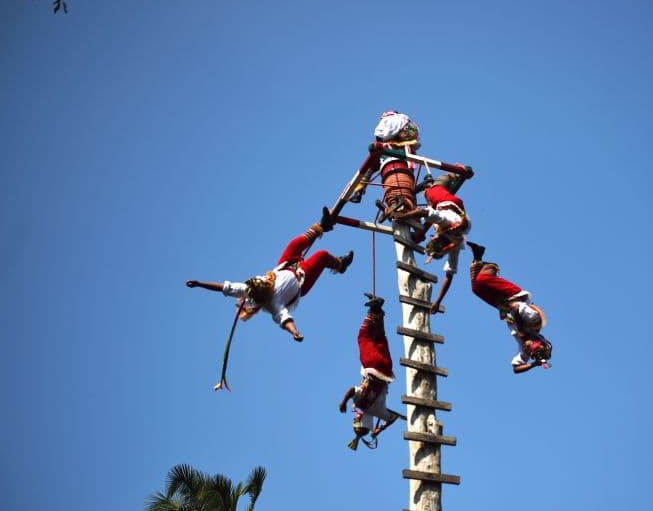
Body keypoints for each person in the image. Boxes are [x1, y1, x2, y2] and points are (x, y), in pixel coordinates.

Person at [186, 220, 353, 341]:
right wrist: (294, 332)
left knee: (294, 244)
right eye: (265, 284)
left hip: (285, 265)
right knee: (321, 255)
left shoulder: (246, 288)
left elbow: (225, 287)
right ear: (263, 294)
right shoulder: (273, 303)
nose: (266, 281)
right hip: (301, 280)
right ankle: (340, 264)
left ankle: (321, 227)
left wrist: (200, 284)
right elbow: (284, 318)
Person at [467, 242, 552, 374]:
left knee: (476, 288)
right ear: (536, 340)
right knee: (483, 280)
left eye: (528, 350)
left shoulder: (524, 348)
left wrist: (534, 364)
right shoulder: (534, 322)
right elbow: (516, 307)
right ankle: (491, 267)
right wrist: (521, 330)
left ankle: (478, 255)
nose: (526, 348)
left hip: (505, 307)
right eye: (529, 347)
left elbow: (516, 369)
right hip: (514, 296)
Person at [393, 173, 470, 313]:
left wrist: (438, 301)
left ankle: (451, 176)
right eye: (432, 238)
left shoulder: (456, 245)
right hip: (442, 200)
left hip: (456, 206)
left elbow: (449, 276)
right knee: (430, 191)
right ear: (437, 239)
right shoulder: (446, 221)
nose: (431, 237)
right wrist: (402, 217)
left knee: (427, 216)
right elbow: (423, 212)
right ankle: (430, 182)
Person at [338, 293, 402, 450]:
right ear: (361, 418)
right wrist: (344, 402)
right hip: (373, 366)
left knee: (380, 338)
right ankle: (372, 310)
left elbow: (392, 418)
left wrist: (380, 429)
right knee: (363, 337)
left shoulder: (380, 412)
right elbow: (352, 390)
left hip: (387, 369)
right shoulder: (361, 403)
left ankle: (378, 310)